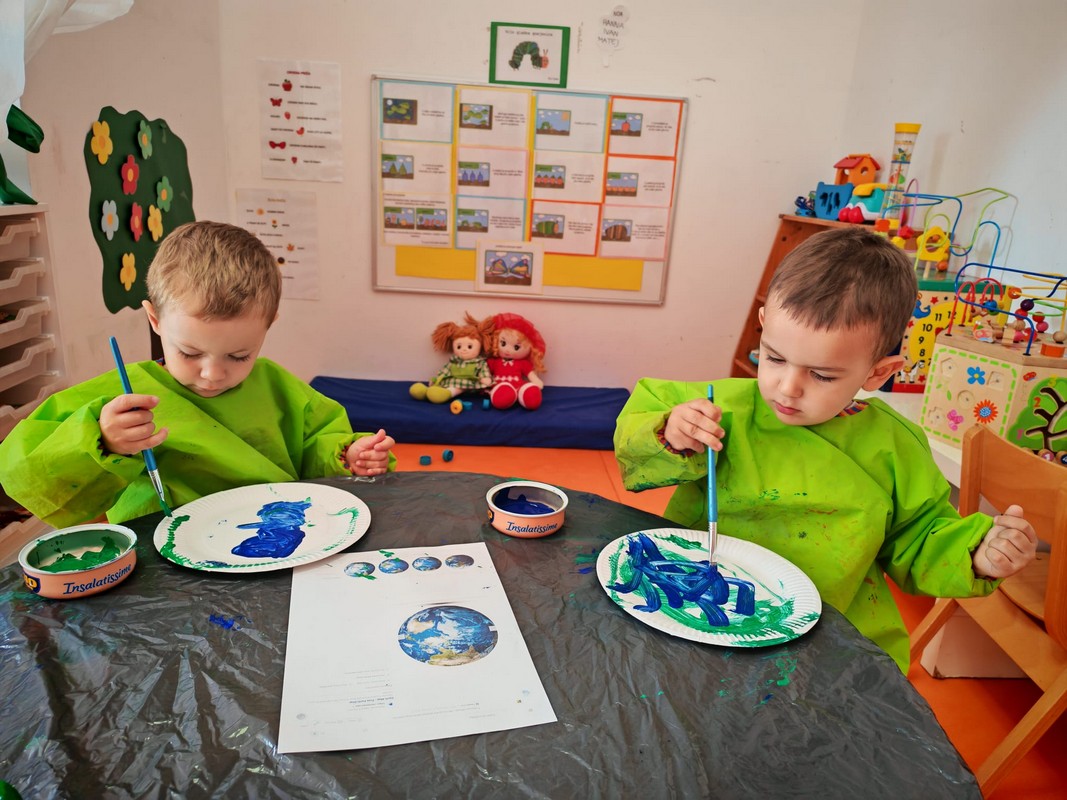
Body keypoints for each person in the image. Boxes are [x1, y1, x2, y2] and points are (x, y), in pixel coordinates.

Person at [613, 226, 1037, 673]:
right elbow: (636, 431)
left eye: (821, 375)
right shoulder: (722, 407)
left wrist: (977, 555)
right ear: (763, 326)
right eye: (774, 358)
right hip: (696, 605)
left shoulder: (894, 447)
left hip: (828, 634)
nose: (787, 388)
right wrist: (670, 432)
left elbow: (921, 539)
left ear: (878, 373)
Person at [0, 221, 395, 528]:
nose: (212, 374)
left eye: (239, 356)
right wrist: (101, 440)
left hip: (276, 535)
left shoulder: (278, 387)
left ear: (269, 325)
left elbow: (318, 446)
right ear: (155, 319)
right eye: (189, 353)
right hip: (165, 562)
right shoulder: (118, 396)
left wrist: (348, 456)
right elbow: (24, 475)